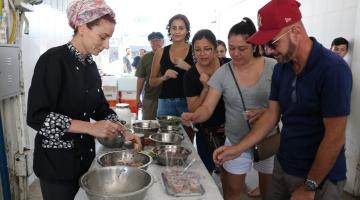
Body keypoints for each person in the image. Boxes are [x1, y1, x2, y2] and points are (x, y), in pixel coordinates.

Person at [213, 1, 352, 200]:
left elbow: (335, 137)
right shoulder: (281, 68)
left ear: (295, 31)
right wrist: (237, 149)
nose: (269, 51)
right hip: (284, 166)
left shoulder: (333, 69)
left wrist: (310, 185)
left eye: (273, 43)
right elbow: (271, 116)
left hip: (320, 178)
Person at [26, 1, 141, 199]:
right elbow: (37, 117)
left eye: (109, 38)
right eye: (102, 37)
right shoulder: (53, 60)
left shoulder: (90, 66)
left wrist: (124, 131)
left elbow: (101, 109)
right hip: (57, 165)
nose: (106, 45)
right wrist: (90, 128)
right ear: (82, 27)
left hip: (85, 159)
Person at [182, 18, 277, 200]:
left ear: (254, 45)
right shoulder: (223, 73)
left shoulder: (272, 67)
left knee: (270, 193)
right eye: (231, 48)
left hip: (268, 140)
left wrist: (267, 112)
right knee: (232, 193)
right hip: (235, 141)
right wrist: (194, 115)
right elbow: (207, 108)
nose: (235, 53)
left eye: (242, 49)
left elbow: (287, 104)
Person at [183, 29, 226, 173]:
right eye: (198, 50)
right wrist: (205, 89)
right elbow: (192, 109)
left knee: (230, 176)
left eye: (207, 49)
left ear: (215, 49)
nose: (202, 54)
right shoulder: (191, 75)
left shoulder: (228, 66)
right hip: (206, 132)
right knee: (205, 172)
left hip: (232, 131)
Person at [149, 14, 194, 117]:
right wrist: (164, 77)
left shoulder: (194, 51)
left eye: (181, 28)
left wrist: (187, 67)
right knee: (164, 133)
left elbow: (203, 79)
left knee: (186, 133)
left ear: (187, 31)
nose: (177, 31)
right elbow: (152, 82)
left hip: (189, 102)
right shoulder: (160, 52)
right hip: (165, 103)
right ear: (169, 30)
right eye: (174, 28)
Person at [135, 32, 164, 120]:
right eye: (153, 41)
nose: (155, 43)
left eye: (158, 40)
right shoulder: (145, 58)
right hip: (150, 97)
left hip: (167, 98)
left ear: (163, 42)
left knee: (166, 126)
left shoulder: (169, 54)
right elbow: (140, 79)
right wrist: (137, 97)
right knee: (148, 125)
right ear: (150, 43)